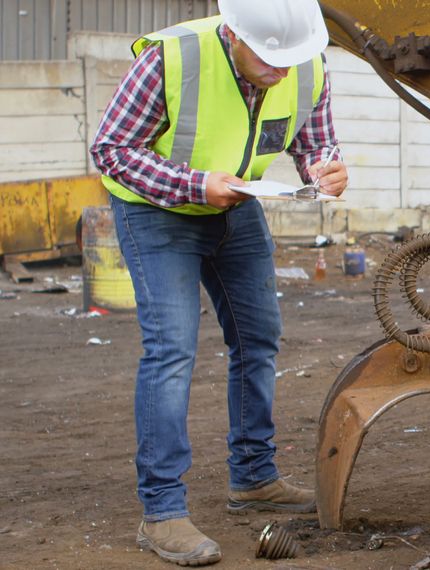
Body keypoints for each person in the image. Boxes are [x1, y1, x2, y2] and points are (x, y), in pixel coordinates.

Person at [89, 0, 347, 565]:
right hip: (156, 212)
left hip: (236, 207)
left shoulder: (307, 63)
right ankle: (161, 512)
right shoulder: (171, 58)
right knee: (172, 350)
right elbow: (110, 150)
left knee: (258, 339)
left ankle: (253, 479)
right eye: (268, 59)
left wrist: (326, 168)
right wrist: (194, 184)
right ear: (232, 33)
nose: (282, 71)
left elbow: (313, 143)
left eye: (292, 60)